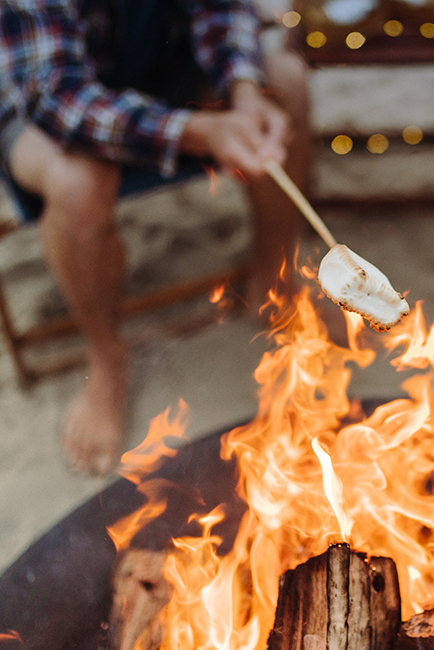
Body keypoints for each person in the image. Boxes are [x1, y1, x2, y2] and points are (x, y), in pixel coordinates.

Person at [0, 0, 311, 474]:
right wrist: (197, 131)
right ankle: (106, 359)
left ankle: (271, 278)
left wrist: (244, 91)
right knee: (80, 185)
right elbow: (58, 99)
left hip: (163, 67)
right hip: (41, 95)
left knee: (285, 82)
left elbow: (223, 8)